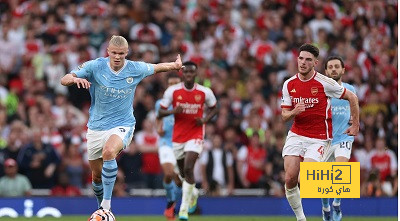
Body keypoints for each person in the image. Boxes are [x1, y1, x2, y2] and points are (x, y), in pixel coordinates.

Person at [60, 35, 183, 211]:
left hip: (123, 124)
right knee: (96, 176)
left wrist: (175, 65)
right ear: (108, 51)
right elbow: (64, 79)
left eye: (122, 54)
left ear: (127, 53)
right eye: (114, 53)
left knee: (109, 151)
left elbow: (156, 68)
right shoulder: (95, 66)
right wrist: (74, 79)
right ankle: (100, 211)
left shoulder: (134, 68)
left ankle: (107, 208)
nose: (117, 57)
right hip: (96, 126)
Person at [280, 44, 359, 221]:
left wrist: (356, 125)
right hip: (296, 134)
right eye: (301, 58)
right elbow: (284, 116)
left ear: (315, 63)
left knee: (306, 178)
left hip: (319, 138)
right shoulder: (289, 84)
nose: (303, 62)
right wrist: (293, 112)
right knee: (290, 179)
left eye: (308, 59)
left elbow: (352, 97)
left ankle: (335, 201)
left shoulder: (325, 83)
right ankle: (301, 219)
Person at [158, 61, 218, 220]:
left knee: (189, 168)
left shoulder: (205, 92)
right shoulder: (173, 92)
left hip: (196, 134)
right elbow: (160, 112)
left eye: (192, 72)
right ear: (182, 74)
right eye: (186, 72)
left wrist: (205, 119)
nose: (189, 75)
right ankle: (194, 193)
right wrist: (173, 111)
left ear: (196, 74)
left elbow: (214, 107)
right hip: (177, 138)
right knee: (183, 173)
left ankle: (183, 210)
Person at [320, 56, 357, 221]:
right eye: (330, 67)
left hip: (343, 138)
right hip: (324, 140)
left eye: (337, 66)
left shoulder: (350, 90)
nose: (333, 69)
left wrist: (355, 122)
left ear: (343, 70)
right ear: (326, 71)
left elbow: (355, 107)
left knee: (340, 170)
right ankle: (326, 207)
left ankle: (336, 203)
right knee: (324, 178)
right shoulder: (320, 90)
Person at [155, 72, 183, 220]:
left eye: (175, 84)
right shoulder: (160, 103)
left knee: (179, 180)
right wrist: (158, 128)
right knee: (168, 174)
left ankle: (172, 203)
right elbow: (158, 120)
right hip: (165, 142)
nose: (173, 87)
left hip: (180, 144)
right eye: (170, 84)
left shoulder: (185, 103)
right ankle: (171, 202)